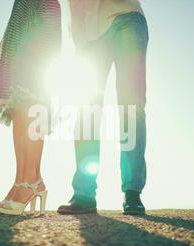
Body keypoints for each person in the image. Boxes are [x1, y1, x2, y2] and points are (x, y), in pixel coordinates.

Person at [58, 0, 149, 215]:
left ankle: (132, 191)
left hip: (126, 15)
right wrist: (79, 38)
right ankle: (84, 193)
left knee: (131, 105)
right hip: (88, 32)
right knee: (87, 109)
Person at [0, 0, 61, 215]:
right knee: (18, 102)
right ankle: (24, 180)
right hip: (24, 9)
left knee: (31, 96)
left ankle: (29, 181)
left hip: (39, 7)